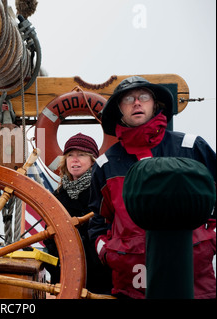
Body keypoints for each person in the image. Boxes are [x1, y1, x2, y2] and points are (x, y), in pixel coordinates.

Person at [88, 76, 216, 299]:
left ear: (155, 104)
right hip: (130, 290)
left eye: (144, 97)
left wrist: (210, 242)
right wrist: (109, 254)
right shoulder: (105, 166)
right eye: (128, 99)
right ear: (119, 109)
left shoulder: (191, 147)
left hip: (196, 286)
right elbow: (99, 223)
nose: (137, 102)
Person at [44, 133, 112, 294]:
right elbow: (49, 237)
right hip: (64, 273)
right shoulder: (57, 196)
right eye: (70, 155)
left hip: (99, 275)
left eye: (81, 155)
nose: (75, 160)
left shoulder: (103, 191)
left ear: (92, 161)